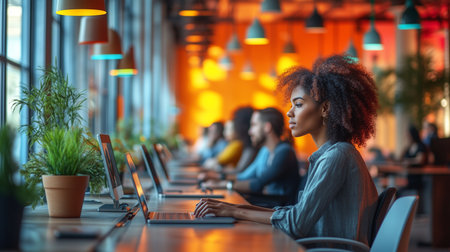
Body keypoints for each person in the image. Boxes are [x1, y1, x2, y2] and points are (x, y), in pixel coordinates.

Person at [194, 55, 379, 244]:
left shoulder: (337, 156)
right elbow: (295, 213)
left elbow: (296, 224)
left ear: (324, 109)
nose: (289, 112)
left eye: (298, 104)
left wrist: (233, 211)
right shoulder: (333, 154)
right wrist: (231, 208)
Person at [201, 107, 301, 207]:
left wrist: (223, 185)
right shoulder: (265, 151)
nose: (250, 131)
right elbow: (245, 176)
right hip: (268, 204)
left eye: (254, 125)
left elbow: (257, 184)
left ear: (267, 127)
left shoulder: (285, 151)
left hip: (280, 210)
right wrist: (219, 179)